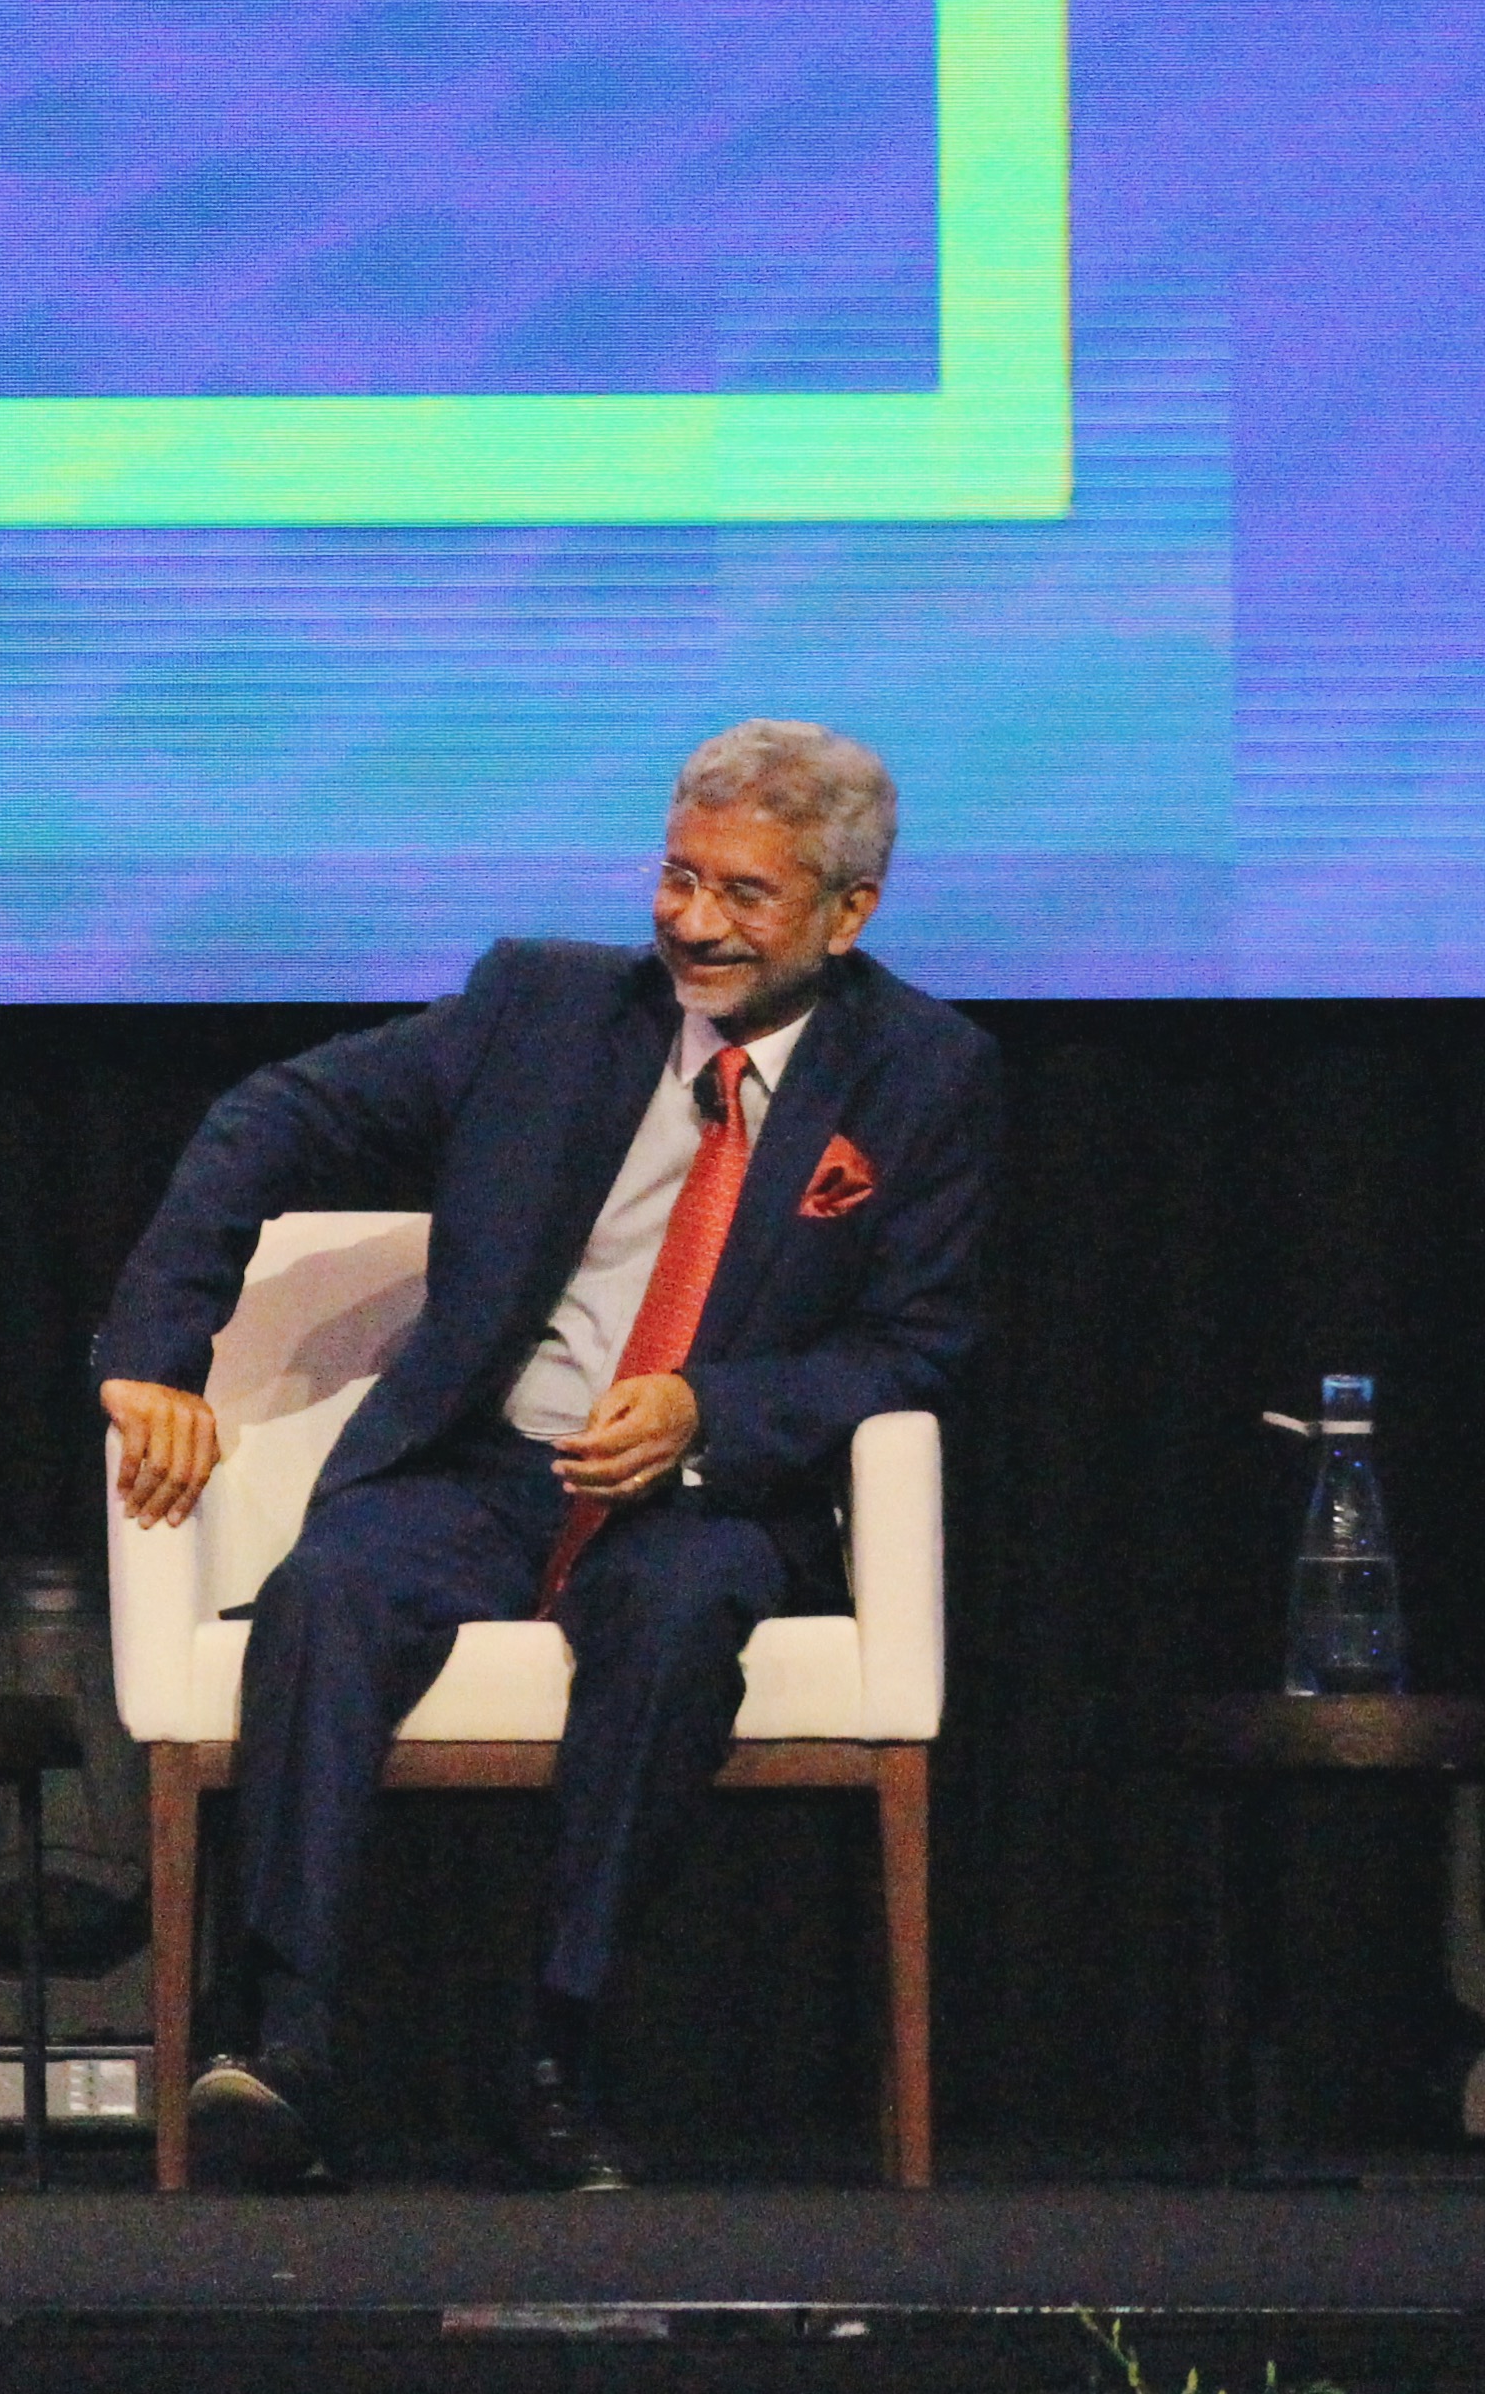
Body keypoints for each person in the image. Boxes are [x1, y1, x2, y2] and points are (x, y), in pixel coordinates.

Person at [92, 720, 990, 2193]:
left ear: (850, 914)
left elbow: (919, 1341)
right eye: (678, 876)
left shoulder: (925, 1073)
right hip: (487, 1466)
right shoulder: (544, 1008)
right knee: (327, 1591)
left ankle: (559, 2054)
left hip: (703, 1491)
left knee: (679, 1611)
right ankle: (288, 2044)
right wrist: (151, 1354)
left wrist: (711, 1411)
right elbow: (270, 1118)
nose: (692, 922)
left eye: (744, 895)